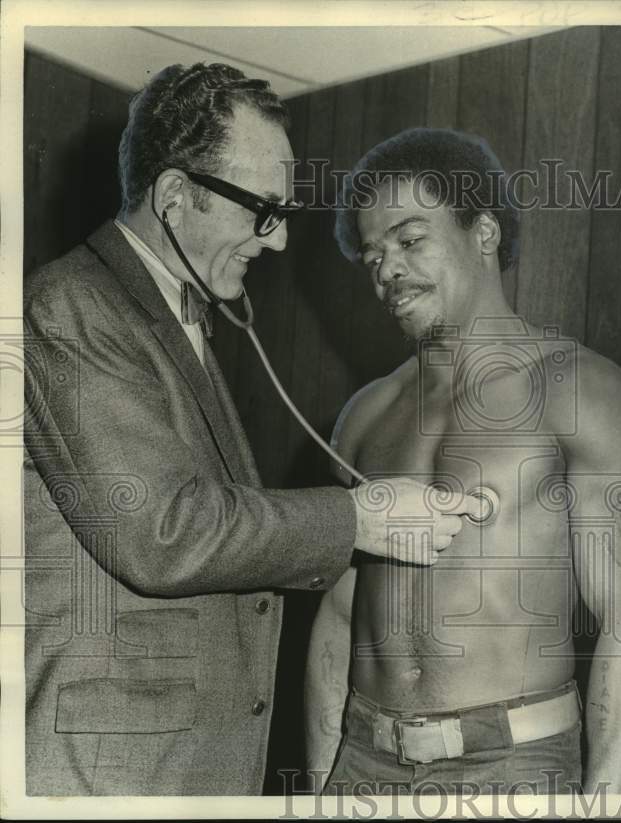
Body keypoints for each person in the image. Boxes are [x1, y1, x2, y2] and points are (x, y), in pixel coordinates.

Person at [23, 63, 476, 796]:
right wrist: (358, 517)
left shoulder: (174, 314)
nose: (277, 242)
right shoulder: (68, 308)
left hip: (173, 766)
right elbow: (163, 531)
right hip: (108, 776)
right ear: (174, 197)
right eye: (261, 210)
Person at [303, 128, 621, 795]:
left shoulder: (578, 389)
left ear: (485, 232)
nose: (386, 270)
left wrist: (604, 805)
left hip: (511, 767)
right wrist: (323, 780)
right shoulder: (364, 415)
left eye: (411, 240)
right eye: (373, 254)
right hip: (364, 760)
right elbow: (339, 614)